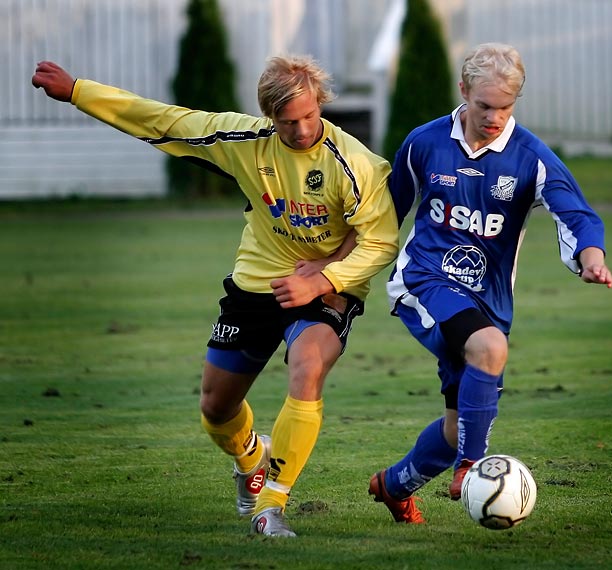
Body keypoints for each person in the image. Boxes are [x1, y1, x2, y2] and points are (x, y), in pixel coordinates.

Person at [32, 55, 399, 537]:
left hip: (326, 290)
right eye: (289, 122)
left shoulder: (354, 163)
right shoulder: (243, 142)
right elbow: (163, 119)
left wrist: (327, 279)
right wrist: (79, 91)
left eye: (310, 115)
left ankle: (272, 505)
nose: (303, 129)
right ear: (270, 118)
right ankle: (252, 459)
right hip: (257, 283)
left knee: (308, 365)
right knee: (215, 410)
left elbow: (381, 240)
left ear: (320, 103)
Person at [368, 42, 612, 524]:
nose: (494, 117)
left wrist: (592, 256)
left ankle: (395, 486)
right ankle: (472, 467)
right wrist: (339, 273)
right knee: (490, 348)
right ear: (463, 92)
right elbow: (385, 217)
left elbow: (577, 215)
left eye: (505, 107)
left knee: (459, 422)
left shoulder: (531, 157)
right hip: (423, 281)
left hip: (489, 301)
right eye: (484, 105)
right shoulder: (424, 142)